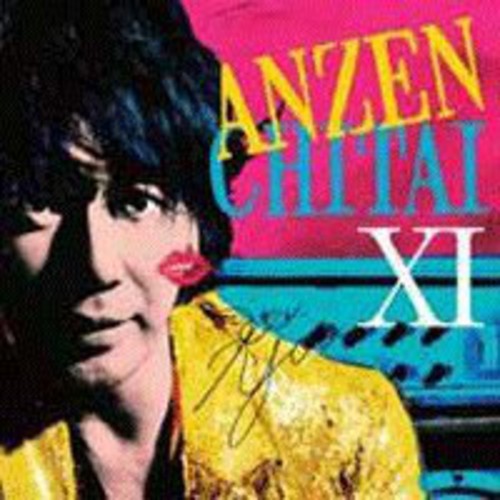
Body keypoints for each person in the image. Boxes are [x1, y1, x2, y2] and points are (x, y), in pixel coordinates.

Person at [0, 1, 424, 498]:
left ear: (197, 221)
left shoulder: (345, 434)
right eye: (42, 201)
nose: (96, 265)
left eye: (137, 202)